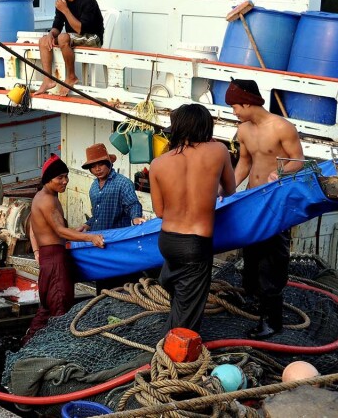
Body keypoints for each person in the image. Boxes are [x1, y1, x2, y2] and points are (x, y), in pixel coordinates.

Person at [226, 78, 304, 339]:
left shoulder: (282, 127)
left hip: (275, 202)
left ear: (248, 102)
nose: (234, 111)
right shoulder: (243, 131)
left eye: (235, 105)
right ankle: (253, 300)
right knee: (252, 255)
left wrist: (279, 172)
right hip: (251, 199)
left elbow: (298, 160)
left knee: (273, 259)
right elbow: (244, 165)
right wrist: (228, 191)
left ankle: (272, 320)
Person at [149, 104, 236, 334]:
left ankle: (173, 338)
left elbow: (159, 212)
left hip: (168, 241)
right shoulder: (219, 151)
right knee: (187, 318)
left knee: (180, 295)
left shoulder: (158, 163)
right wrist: (211, 190)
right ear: (206, 126)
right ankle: (173, 359)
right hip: (195, 245)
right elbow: (230, 190)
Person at [22, 154, 105, 345]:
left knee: (45, 310)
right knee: (60, 309)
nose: (65, 181)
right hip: (55, 260)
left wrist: (76, 230)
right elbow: (60, 231)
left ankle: (26, 345)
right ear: (48, 179)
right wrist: (90, 237)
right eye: (60, 177)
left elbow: (46, 231)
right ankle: (58, 351)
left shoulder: (41, 197)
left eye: (66, 176)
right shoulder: (49, 200)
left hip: (47, 259)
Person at [80, 143, 145, 293]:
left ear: (109, 163)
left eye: (101, 164)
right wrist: (87, 225)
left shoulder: (123, 183)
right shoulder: (93, 187)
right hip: (98, 242)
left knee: (120, 283)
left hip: (116, 243)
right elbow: (96, 215)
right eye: (93, 166)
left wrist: (135, 217)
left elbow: (133, 204)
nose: (97, 169)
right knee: (102, 287)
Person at [35, 0, 104, 96]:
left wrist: (65, 9)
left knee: (62, 38)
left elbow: (80, 29)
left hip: (93, 37)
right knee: (44, 40)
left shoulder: (88, 1)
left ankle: (71, 76)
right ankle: (47, 80)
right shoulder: (62, 2)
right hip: (72, 37)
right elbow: (57, 26)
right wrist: (50, 34)